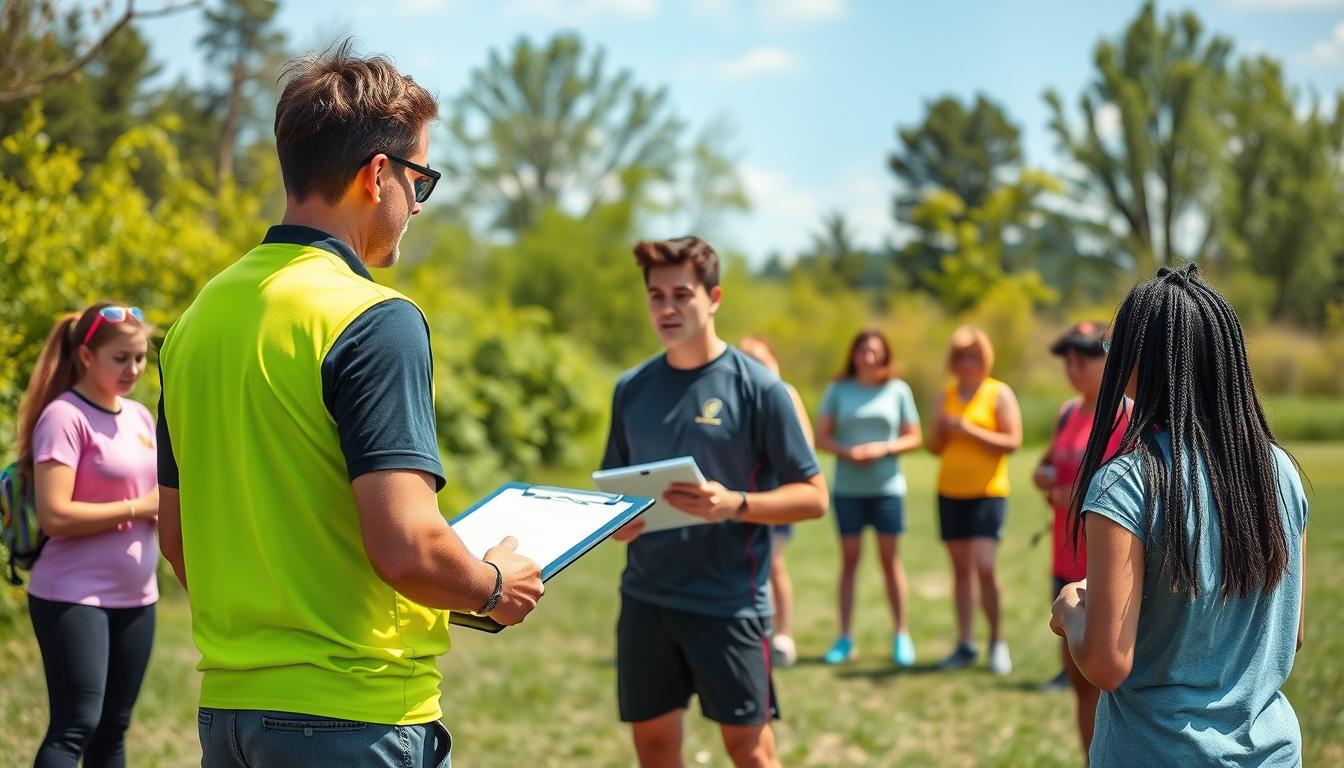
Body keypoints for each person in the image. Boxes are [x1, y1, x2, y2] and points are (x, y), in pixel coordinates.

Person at [155, 42, 543, 768]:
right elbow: (406, 547)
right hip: (356, 716)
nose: (417, 206)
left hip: (230, 717)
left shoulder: (196, 320)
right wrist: (494, 585)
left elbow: (179, 540)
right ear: (377, 174)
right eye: (419, 180)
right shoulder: (373, 318)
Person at [1052, 264, 1308, 767]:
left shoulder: (1126, 482)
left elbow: (1106, 663)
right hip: (1272, 753)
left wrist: (1069, 610)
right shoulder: (1279, 471)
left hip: (1156, 751)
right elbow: (1291, 635)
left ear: (1139, 360)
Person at [604, 237, 828, 768]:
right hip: (646, 600)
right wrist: (615, 523)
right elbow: (613, 494)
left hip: (729, 603)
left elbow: (814, 496)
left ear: (714, 298)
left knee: (749, 751)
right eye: (656, 296)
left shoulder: (760, 389)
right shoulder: (631, 388)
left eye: (682, 294)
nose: (667, 308)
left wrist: (735, 504)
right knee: (654, 749)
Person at [15, 303, 159, 767]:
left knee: (113, 731)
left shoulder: (138, 417)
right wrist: (141, 507)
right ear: (86, 356)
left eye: (139, 358)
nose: (133, 369)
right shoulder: (64, 417)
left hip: (138, 597)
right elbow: (55, 515)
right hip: (73, 595)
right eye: (121, 358)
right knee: (76, 726)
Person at [1031, 321, 1130, 755]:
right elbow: (1048, 461)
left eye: (1084, 356)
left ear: (1110, 359)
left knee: (1118, 680)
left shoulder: (1127, 415)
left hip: (1109, 563)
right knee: (1079, 680)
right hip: (1064, 558)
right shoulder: (1068, 412)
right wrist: (1043, 476)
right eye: (1067, 358)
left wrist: (1079, 494)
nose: (1074, 367)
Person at [814, 329, 922, 666]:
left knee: (890, 562)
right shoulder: (838, 389)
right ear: (854, 354)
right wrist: (847, 452)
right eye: (863, 350)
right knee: (849, 563)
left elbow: (914, 436)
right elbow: (821, 437)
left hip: (887, 490)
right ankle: (844, 638)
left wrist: (883, 448)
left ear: (884, 356)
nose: (869, 357)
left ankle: (901, 635)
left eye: (875, 351)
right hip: (848, 490)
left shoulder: (897, 390)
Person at [928, 325, 1021, 675]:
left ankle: (997, 641)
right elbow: (933, 448)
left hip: (987, 492)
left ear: (984, 359)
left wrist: (970, 430)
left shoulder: (998, 393)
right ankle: (965, 643)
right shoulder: (945, 395)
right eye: (961, 357)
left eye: (973, 357)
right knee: (960, 571)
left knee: (985, 566)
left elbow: (1012, 441)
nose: (967, 363)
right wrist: (940, 429)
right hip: (950, 491)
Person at [738, 335, 815, 668]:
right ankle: (758, 632)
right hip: (745, 496)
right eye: (746, 360)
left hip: (776, 496)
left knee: (775, 564)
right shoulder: (739, 396)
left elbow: (804, 448)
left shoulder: (783, 394)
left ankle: (783, 635)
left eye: (760, 359)